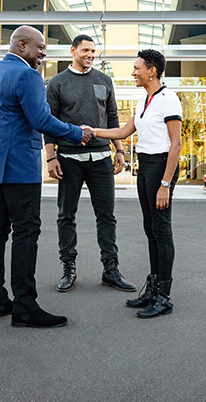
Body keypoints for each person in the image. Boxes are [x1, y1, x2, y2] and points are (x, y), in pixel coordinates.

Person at [0, 25, 93, 329]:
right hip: (19, 166)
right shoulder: (27, 75)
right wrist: (77, 132)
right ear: (21, 44)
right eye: (40, 47)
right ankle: (25, 306)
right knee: (26, 231)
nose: (43, 53)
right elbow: (41, 120)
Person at [93, 49, 182, 318]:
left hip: (161, 168)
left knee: (162, 230)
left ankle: (163, 295)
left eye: (137, 68)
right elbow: (123, 131)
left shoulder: (169, 99)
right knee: (150, 228)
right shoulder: (143, 101)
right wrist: (92, 130)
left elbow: (176, 144)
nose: (133, 72)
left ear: (152, 70)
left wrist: (165, 183)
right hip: (145, 166)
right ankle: (153, 288)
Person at [45, 34, 136, 293]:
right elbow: (49, 123)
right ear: (72, 50)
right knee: (66, 216)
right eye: (86, 50)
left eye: (93, 51)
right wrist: (51, 157)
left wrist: (119, 151)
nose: (90, 55)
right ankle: (68, 268)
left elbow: (112, 116)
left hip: (100, 160)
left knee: (106, 216)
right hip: (69, 160)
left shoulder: (104, 81)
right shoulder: (57, 83)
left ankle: (111, 269)